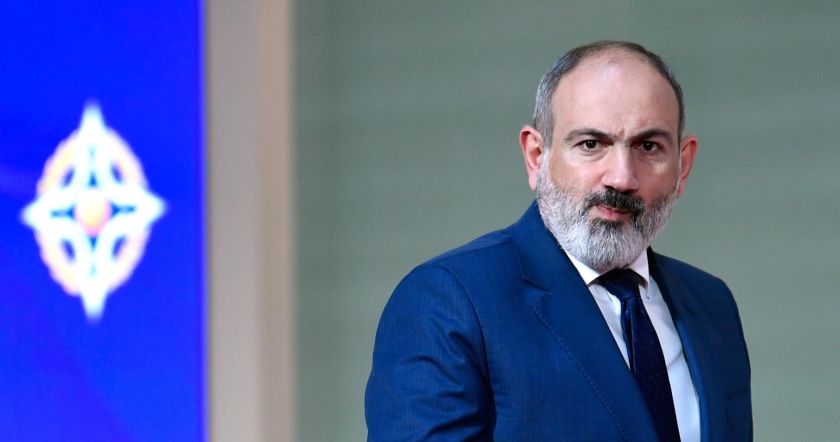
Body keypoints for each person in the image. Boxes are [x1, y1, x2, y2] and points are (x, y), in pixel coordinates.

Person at [365, 40, 751, 441]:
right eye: (591, 144)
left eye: (648, 146)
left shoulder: (712, 305)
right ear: (536, 156)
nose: (622, 178)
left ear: (683, 166)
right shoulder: (449, 302)